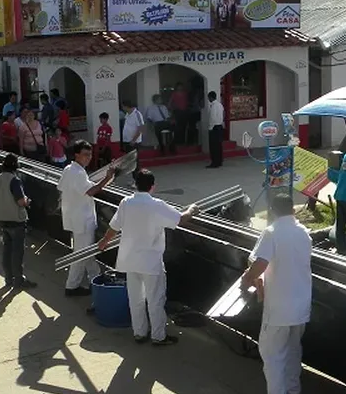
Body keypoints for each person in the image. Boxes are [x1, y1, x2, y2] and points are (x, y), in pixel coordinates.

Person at [99, 169, 197, 345]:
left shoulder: (126, 203)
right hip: (150, 262)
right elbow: (180, 219)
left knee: (135, 299)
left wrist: (104, 241)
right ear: (153, 186)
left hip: (129, 260)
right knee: (155, 299)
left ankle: (139, 333)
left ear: (135, 185)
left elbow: (114, 226)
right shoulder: (157, 205)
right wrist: (192, 209)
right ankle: (158, 336)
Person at [240, 193, 313, 394]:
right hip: (300, 305)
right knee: (293, 349)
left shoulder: (272, 232)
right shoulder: (303, 233)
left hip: (279, 307)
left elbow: (260, 263)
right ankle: (294, 392)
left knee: (272, 357)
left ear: (272, 210)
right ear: (292, 209)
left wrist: (247, 279)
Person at [59, 140, 118, 296]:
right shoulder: (77, 173)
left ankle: (94, 279)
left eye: (90, 154)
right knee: (82, 254)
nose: (88, 157)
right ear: (77, 155)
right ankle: (72, 286)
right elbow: (91, 190)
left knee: (86, 253)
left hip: (75, 218)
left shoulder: (70, 169)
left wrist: (106, 178)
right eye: (85, 155)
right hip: (81, 220)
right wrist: (106, 178)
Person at [0, 153, 35, 289]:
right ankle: (19, 280)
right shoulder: (14, 180)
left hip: (2, 219)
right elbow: (21, 201)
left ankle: (8, 279)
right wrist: (28, 201)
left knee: (7, 250)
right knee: (17, 252)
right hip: (16, 220)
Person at [207, 91, 225, 168]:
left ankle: (214, 162)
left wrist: (210, 128)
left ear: (211, 97)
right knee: (218, 145)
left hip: (215, 127)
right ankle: (219, 161)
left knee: (213, 146)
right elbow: (224, 114)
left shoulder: (213, 106)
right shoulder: (220, 105)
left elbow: (212, 118)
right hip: (220, 126)